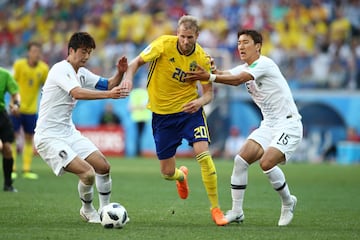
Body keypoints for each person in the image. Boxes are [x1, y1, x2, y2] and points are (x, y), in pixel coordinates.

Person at [185, 29, 303, 226]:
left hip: (288, 123)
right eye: (239, 42)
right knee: (241, 160)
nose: (241, 46)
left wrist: (211, 77)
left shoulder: (264, 64)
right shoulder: (244, 67)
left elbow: (238, 80)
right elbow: (225, 75)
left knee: (266, 163)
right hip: (269, 124)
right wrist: (212, 70)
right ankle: (237, 211)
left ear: (257, 46)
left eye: (246, 42)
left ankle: (288, 202)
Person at [120, 15, 227, 226]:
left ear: (197, 35)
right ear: (177, 34)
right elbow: (135, 63)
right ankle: (181, 177)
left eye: (189, 37)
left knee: (203, 155)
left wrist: (199, 103)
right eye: (182, 36)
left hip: (189, 111)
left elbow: (208, 94)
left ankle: (216, 209)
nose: (185, 41)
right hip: (162, 117)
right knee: (167, 172)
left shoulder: (202, 59)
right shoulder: (163, 44)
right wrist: (129, 78)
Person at [34, 32, 129, 223]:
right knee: (87, 173)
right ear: (71, 50)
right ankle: (87, 210)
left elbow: (109, 84)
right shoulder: (60, 69)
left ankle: (105, 211)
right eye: (83, 51)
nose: (86, 56)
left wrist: (119, 72)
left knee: (103, 166)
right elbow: (76, 93)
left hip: (68, 132)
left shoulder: (82, 73)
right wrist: (109, 95)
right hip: (48, 136)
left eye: (89, 53)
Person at [10, 41, 49, 180]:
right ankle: (12, 168)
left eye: (38, 52)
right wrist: (14, 104)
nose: (36, 54)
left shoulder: (43, 69)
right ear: (28, 52)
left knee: (28, 139)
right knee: (12, 138)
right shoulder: (19, 65)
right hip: (17, 108)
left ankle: (26, 169)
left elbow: (47, 86)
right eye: (33, 51)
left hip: (32, 109)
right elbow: (12, 85)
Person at [0, 67, 21, 192]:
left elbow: (15, 92)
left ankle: (8, 184)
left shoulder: (4, 74)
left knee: (8, 149)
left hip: (2, 115)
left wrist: (16, 105)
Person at [128, 85, 151, 156]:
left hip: (137, 118)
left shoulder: (134, 94)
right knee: (139, 136)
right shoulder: (146, 94)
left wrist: (136, 107)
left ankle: (137, 151)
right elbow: (143, 106)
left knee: (138, 136)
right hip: (142, 118)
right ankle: (138, 152)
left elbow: (130, 107)